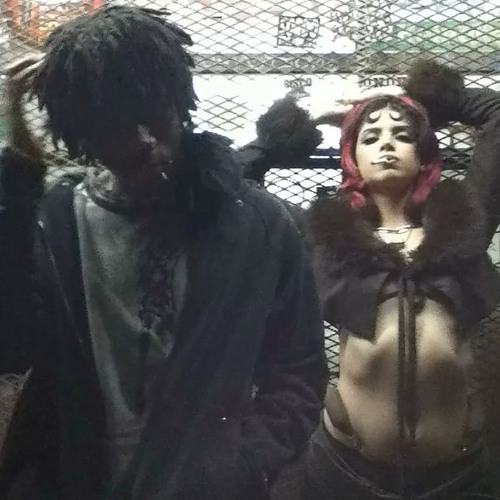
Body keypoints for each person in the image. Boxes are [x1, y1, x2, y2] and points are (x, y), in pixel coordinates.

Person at [0, 6, 327, 499]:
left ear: (179, 103)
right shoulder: (57, 220)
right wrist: (20, 168)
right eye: (116, 125)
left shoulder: (255, 223)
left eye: (155, 115)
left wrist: (240, 464)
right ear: (84, 131)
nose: (144, 141)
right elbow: (13, 344)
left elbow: (299, 369)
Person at [246, 60, 500, 499]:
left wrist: (425, 102)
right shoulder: (326, 237)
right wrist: (302, 123)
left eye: (403, 135)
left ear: (423, 154)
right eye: (370, 136)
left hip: (458, 476)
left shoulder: (464, 223)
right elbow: (231, 185)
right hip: (343, 471)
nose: (386, 144)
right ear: (352, 157)